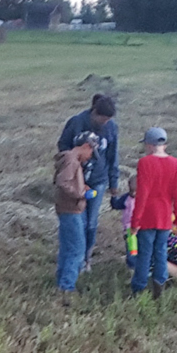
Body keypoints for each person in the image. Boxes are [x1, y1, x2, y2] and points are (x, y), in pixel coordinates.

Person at [56, 93, 119, 270]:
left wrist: (113, 183)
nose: (105, 123)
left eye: (108, 120)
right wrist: (75, 165)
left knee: (91, 222)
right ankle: (74, 257)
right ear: (94, 112)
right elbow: (63, 146)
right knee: (79, 221)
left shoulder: (112, 128)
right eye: (103, 119)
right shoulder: (76, 122)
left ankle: (86, 259)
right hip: (77, 181)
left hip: (98, 181)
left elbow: (113, 156)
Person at [130, 127, 177, 299]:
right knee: (161, 252)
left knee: (144, 254)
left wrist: (135, 221)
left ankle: (138, 288)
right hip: (165, 218)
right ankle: (159, 287)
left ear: (149, 145)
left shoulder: (145, 163)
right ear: (164, 144)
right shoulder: (175, 163)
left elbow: (142, 195)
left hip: (147, 217)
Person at [53, 132, 99, 298]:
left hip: (68, 209)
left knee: (67, 248)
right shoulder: (72, 161)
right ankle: (67, 287)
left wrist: (83, 186)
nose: (90, 156)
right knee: (77, 249)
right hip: (71, 210)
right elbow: (63, 182)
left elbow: (68, 181)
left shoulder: (72, 160)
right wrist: (81, 194)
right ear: (86, 146)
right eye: (91, 152)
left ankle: (61, 283)